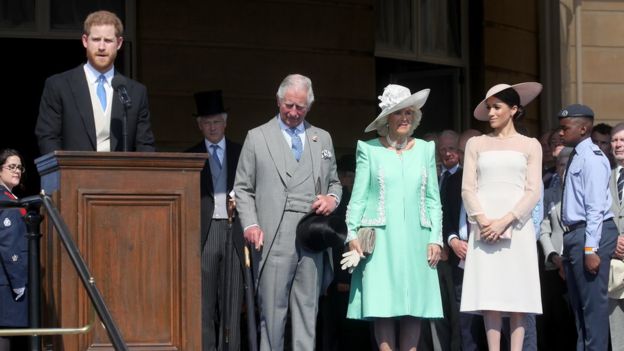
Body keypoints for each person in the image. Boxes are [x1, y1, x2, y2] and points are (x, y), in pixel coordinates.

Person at [234, 74, 341, 351]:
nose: (294, 113)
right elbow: (243, 188)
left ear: (309, 107)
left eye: (300, 108)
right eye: (289, 105)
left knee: (308, 311)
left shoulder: (323, 138)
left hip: (312, 235)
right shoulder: (257, 138)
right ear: (278, 101)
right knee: (272, 314)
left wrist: (332, 199)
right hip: (273, 236)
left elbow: (335, 184)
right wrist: (251, 225)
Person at [343, 84, 443, 351]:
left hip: (417, 239)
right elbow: (359, 197)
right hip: (380, 241)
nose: (405, 118)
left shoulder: (425, 150)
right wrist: (352, 233)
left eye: (409, 113)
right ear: (387, 119)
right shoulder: (369, 149)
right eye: (399, 113)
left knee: (414, 308)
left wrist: (436, 239)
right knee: (382, 306)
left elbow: (434, 199)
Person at [461, 82, 543, 351]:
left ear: (514, 109)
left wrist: (505, 220)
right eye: (489, 108)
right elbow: (467, 189)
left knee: (518, 293)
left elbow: (533, 191)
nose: (492, 113)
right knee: (489, 294)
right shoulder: (476, 143)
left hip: (517, 227)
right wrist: (485, 222)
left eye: (497, 107)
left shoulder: (531, 145)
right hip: (484, 229)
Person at [35, 10, 155, 154]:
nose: (102, 47)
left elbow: (145, 145)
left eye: (108, 40)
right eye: (96, 39)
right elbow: (48, 138)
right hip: (73, 174)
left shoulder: (135, 92)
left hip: (121, 175)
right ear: (85, 41)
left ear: (119, 43)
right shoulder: (59, 86)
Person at [185, 90, 243, 351]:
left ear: (225, 122)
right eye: (207, 122)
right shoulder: (191, 156)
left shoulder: (241, 152)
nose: (212, 127)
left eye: (217, 121)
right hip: (205, 234)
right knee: (203, 305)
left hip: (234, 232)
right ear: (199, 126)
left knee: (232, 304)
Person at [558, 103, 618, 351]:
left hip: (591, 234)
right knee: (580, 312)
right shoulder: (577, 154)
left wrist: (590, 249)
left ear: (583, 128)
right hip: (576, 234)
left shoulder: (592, 158)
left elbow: (594, 208)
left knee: (592, 311)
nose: (561, 133)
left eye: (565, 128)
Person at [441, 130, 487, 351]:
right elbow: (447, 217)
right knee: (464, 319)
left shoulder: (491, 179)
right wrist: (452, 240)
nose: (465, 156)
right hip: (461, 255)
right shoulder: (453, 180)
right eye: (462, 151)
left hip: (489, 252)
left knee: (494, 317)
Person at [537, 147, 577, 351]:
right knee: (557, 322)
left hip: (579, 265)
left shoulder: (585, 193)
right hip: (554, 266)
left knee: (577, 323)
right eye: (561, 164)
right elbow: (543, 229)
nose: (565, 168)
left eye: (569, 164)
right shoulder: (549, 194)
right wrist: (554, 256)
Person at [0, 149, 29, 351]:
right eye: (11, 166)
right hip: (7, 281)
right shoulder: (5, 200)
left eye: (19, 167)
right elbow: (9, 244)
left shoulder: (10, 197)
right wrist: (19, 282)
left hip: (6, 279)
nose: (17, 171)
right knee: (5, 337)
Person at [608, 122, 624, 351]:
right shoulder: (603, 176)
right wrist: (612, 242)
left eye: (622, 140)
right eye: (615, 140)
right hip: (612, 264)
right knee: (617, 331)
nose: (618, 145)